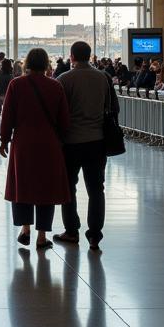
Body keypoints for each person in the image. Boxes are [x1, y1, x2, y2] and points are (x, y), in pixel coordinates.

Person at [0, 48, 71, 249]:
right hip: (49, 144)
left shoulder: (16, 85)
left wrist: (4, 140)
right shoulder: (55, 86)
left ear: (27, 63)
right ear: (47, 63)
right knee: (45, 188)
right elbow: (64, 120)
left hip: (23, 143)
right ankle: (41, 236)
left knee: (22, 185)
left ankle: (25, 228)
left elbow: (8, 116)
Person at [55, 41, 112, 251]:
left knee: (68, 187)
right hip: (97, 140)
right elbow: (110, 107)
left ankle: (71, 231)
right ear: (90, 56)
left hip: (71, 142)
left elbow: (59, 112)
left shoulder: (64, 79)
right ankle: (95, 235)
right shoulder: (102, 78)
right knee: (96, 189)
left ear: (72, 56)